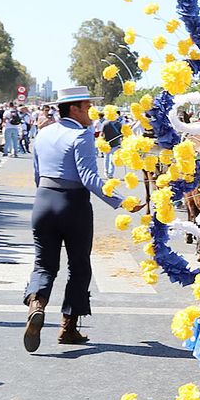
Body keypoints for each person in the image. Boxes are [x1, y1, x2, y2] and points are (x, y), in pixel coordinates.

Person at [23, 85, 124, 351]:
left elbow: (36, 174)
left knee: (44, 264)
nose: (92, 111)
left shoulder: (43, 134)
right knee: (78, 266)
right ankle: (68, 327)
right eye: (87, 106)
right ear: (74, 109)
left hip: (44, 201)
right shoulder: (82, 136)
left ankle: (37, 303)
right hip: (73, 204)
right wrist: (120, 200)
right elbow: (89, 178)